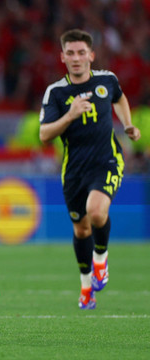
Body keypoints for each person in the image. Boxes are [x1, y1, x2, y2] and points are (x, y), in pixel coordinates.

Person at [39, 29, 141, 310]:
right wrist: (70, 115)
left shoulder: (107, 81)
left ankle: (101, 258)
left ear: (91, 55)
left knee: (97, 212)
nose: (76, 58)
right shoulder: (56, 92)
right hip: (73, 170)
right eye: (70, 53)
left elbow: (119, 98)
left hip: (107, 160)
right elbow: (45, 134)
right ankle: (86, 287)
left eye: (81, 52)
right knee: (81, 229)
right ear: (62, 57)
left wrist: (127, 123)